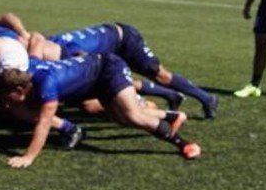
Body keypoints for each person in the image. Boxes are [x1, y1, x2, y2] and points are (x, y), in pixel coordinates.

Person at [0, 53, 201, 169]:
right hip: (94, 78)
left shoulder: (47, 85)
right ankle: (173, 116)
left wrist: (28, 157)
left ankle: (185, 144)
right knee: (123, 119)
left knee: (133, 116)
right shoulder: (25, 70)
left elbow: (45, 123)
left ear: (21, 89)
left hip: (108, 68)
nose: (5, 100)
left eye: (7, 95)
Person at [29, 21, 218, 118]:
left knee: (161, 75)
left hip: (125, 39)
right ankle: (169, 97)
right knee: (96, 94)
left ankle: (207, 98)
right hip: (109, 48)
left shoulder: (63, 53)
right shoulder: (52, 43)